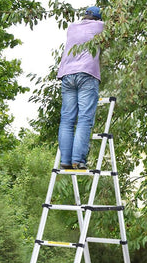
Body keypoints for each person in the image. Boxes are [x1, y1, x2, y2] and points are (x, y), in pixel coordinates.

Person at [57, 6, 104, 169]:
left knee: (67, 120)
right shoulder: (100, 27)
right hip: (86, 74)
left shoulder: (71, 27)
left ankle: (65, 160)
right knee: (84, 118)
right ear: (98, 18)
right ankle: (78, 160)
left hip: (67, 74)